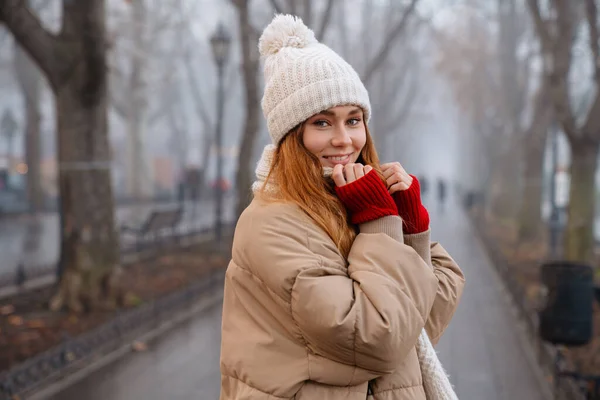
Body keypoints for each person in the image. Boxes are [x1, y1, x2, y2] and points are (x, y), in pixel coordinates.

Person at [220, 15, 465, 400]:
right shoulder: (271, 222)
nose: (343, 139)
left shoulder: (347, 199)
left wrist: (410, 226)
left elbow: (419, 326)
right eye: (322, 123)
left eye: (354, 120)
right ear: (291, 136)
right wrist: (381, 221)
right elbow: (379, 337)